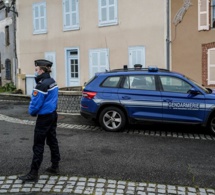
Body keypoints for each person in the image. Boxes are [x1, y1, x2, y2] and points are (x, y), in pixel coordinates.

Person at [19, 59, 61, 182]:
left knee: (38, 144)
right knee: (52, 140)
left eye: (36, 69)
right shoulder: (52, 81)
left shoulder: (41, 84)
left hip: (44, 118)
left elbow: (35, 104)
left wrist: (32, 112)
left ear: (41, 70)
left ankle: (33, 173)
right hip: (53, 115)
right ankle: (55, 166)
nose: (35, 71)